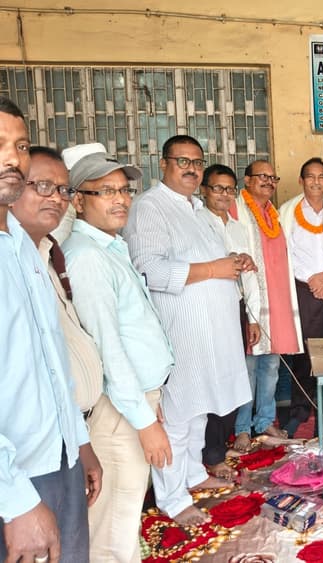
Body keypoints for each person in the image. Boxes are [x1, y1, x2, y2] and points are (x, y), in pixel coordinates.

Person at [123, 135, 254, 526]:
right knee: (178, 415)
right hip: (180, 331)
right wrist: (215, 269)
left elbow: (203, 259)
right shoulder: (150, 207)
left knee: (199, 411)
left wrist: (233, 260)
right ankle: (172, 497)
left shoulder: (196, 208)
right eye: (182, 161)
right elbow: (148, 269)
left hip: (210, 332)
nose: (192, 169)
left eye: (197, 162)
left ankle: (193, 474)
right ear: (163, 163)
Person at [61, 143, 174, 562]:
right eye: (105, 191)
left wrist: (149, 407)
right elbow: (109, 351)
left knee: (123, 522)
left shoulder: (110, 246)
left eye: (124, 190)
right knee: (113, 531)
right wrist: (144, 422)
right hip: (118, 414)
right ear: (78, 200)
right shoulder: (87, 257)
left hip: (133, 403)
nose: (121, 199)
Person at [0, 97, 101, 563]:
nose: (11, 158)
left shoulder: (23, 247)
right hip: (15, 481)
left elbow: (50, 362)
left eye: (20, 146)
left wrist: (78, 444)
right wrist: (16, 500)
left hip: (57, 460)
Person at [10, 146, 103, 418]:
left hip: (74, 424)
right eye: (43, 186)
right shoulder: (9, 265)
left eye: (64, 190)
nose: (56, 198)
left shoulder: (49, 253)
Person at [196, 164, 262, 477]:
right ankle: (210, 451)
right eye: (217, 188)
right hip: (207, 311)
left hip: (235, 307)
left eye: (229, 189)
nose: (224, 195)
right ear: (204, 191)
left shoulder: (236, 226)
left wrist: (252, 317)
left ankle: (221, 445)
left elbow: (248, 274)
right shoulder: (195, 223)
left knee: (234, 376)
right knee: (212, 379)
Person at [278, 157, 323, 436]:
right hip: (302, 289)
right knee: (304, 352)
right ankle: (300, 409)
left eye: (321, 177)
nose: (316, 182)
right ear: (301, 180)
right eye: (310, 176)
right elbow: (283, 253)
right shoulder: (287, 212)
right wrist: (312, 281)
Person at [233, 160, 303, 448]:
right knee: (247, 367)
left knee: (271, 367)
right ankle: (242, 427)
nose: (269, 181)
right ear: (247, 180)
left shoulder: (274, 213)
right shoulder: (236, 209)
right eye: (262, 176)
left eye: (273, 177)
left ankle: (264, 421)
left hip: (276, 300)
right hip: (249, 300)